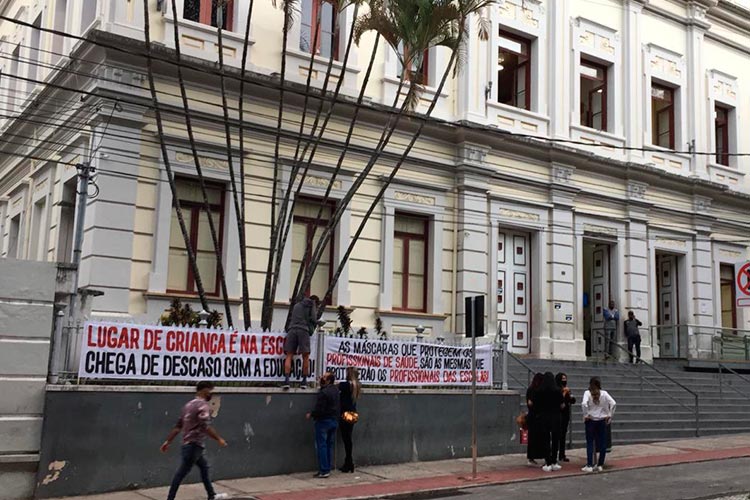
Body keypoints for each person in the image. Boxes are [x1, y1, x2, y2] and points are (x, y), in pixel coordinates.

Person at [160, 381, 229, 500]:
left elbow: (178, 427)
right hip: (194, 446)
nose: (211, 394)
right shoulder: (202, 405)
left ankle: (211, 495)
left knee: (204, 467)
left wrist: (168, 441)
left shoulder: (188, 406)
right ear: (203, 390)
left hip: (190, 445)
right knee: (181, 473)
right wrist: (219, 439)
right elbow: (205, 426)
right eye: (210, 391)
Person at [282, 295, 323, 389]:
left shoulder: (296, 305)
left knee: (289, 355)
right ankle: (304, 381)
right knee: (305, 356)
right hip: (303, 331)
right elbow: (313, 318)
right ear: (315, 302)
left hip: (292, 330)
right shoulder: (311, 305)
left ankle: (286, 380)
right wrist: (317, 322)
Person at [306, 371, 340, 478]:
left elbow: (320, 409)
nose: (321, 378)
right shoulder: (335, 391)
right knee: (329, 445)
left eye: (324, 377)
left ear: (328, 380)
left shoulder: (323, 393)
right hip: (333, 420)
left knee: (321, 446)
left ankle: (324, 470)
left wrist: (311, 414)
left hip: (323, 421)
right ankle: (327, 468)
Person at [581, 377, 617, 473]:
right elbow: (613, 403)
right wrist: (609, 415)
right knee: (602, 443)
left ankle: (589, 464)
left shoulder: (587, 393)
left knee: (590, 442)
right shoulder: (604, 394)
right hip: (602, 420)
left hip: (591, 420)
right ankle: (600, 464)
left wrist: (586, 414)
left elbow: (584, 404)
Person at [532, 372, 565, 472]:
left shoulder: (539, 391)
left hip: (543, 417)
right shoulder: (558, 391)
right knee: (555, 439)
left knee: (545, 439)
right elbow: (562, 405)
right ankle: (554, 461)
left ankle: (548, 462)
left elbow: (535, 405)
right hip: (556, 417)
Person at [338, 367, 361, 473]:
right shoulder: (356, 385)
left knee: (346, 438)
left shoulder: (346, 385)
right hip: (353, 413)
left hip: (346, 413)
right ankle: (349, 462)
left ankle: (349, 462)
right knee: (348, 438)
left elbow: (337, 385)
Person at [525, 373, 546, 466]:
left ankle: (531, 457)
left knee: (532, 438)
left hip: (533, 416)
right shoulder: (537, 390)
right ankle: (535, 457)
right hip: (537, 416)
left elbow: (529, 403)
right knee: (538, 438)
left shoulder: (531, 389)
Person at [555, 372, 576, 462]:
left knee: (563, 435)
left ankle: (562, 454)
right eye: (563, 379)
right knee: (557, 435)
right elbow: (559, 400)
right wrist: (564, 392)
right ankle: (555, 454)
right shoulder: (557, 389)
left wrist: (570, 396)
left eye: (565, 379)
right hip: (558, 414)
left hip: (565, 414)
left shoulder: (566, 389)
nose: (564, 380)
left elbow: (572, 400)